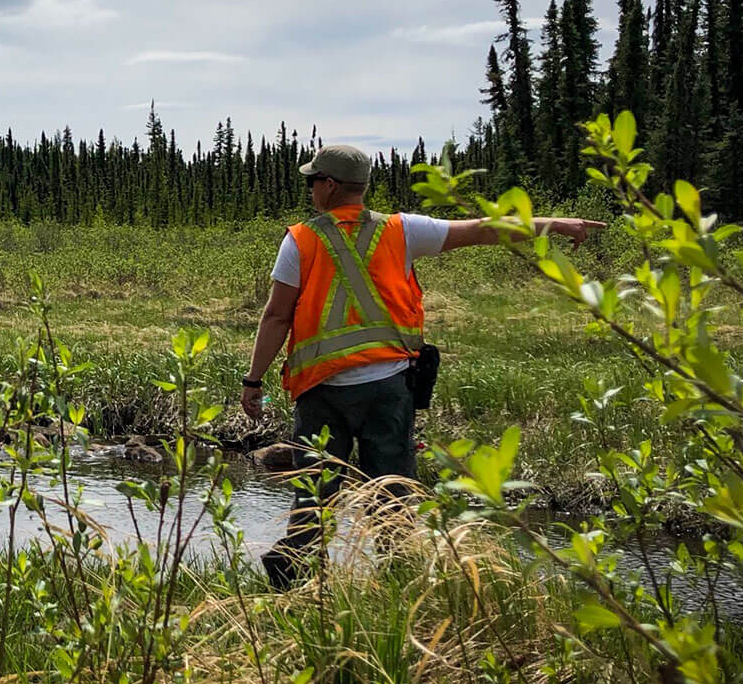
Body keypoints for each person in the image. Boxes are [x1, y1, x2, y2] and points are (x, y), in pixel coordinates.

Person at [240, 144, 602, 589]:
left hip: (321, 392)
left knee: (315, 494)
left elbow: (277, 315)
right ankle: (400, 585)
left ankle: (295, 584)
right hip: (388, 390)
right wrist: (555, 225)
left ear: (330, 185)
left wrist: (253, 380)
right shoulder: (402, 230)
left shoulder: (300, 239)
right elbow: (484, 230)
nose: (311, 188)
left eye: (313, 181)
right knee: (392, 495)